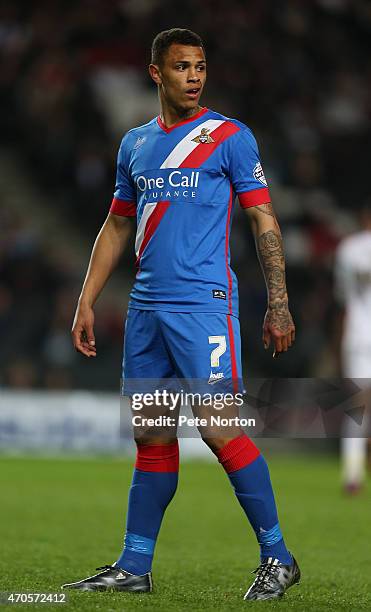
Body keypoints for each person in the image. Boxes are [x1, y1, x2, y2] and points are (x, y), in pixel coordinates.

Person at [63, 28, 300, 601]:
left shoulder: (229, 137)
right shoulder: (135, 145)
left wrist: (279, 301)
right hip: (146, 309)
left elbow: (263, 220)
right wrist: (86, 299)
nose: (193, 77)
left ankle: (278, 556)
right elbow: (119, 223)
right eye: (181, 67)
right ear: (156, 74)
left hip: (203, 307)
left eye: (199, 67)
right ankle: (134, 565)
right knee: (151, 434)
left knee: (220, 430)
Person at [335, 203, 371, 494]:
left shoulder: (348, 248)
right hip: (360, 336)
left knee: (358, 408)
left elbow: (342, 297)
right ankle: (353, 472)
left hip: (358, 336)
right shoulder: (352, 247)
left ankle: (352, 473)